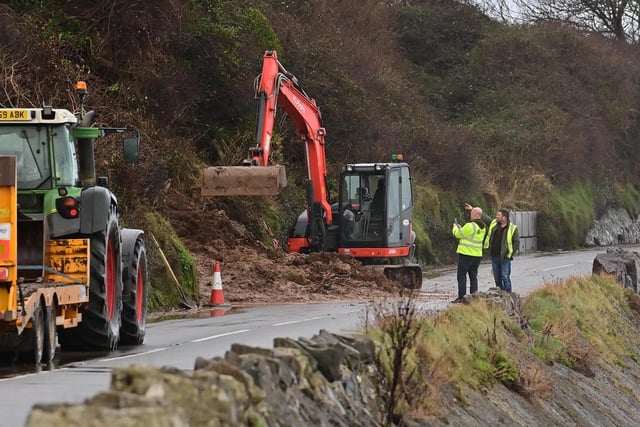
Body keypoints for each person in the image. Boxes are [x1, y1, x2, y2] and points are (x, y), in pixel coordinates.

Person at [465, 203, 520, 292]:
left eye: (498, 215)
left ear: (504, 217)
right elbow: (485, 218)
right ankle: (500, 295)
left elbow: (516, 242)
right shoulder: (494, 223)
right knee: (497, 278)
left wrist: (510, 254)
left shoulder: (513, 228)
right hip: (495, 256)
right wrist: (473, 209)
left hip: (505, 257)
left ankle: (508, 295)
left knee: (505, 277)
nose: (496, 216)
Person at [452, 206, 487, 303]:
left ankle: (461, 297)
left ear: (474, 215)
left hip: (466, 254)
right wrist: (461, 229)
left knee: (462, 276)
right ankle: (474, 296)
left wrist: (455, 228)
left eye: (471, 213)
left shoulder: (470, 225)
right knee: (473, 276)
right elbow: (468, 235)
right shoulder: (483, 227)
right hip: (477, 255)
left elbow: (458, 235)